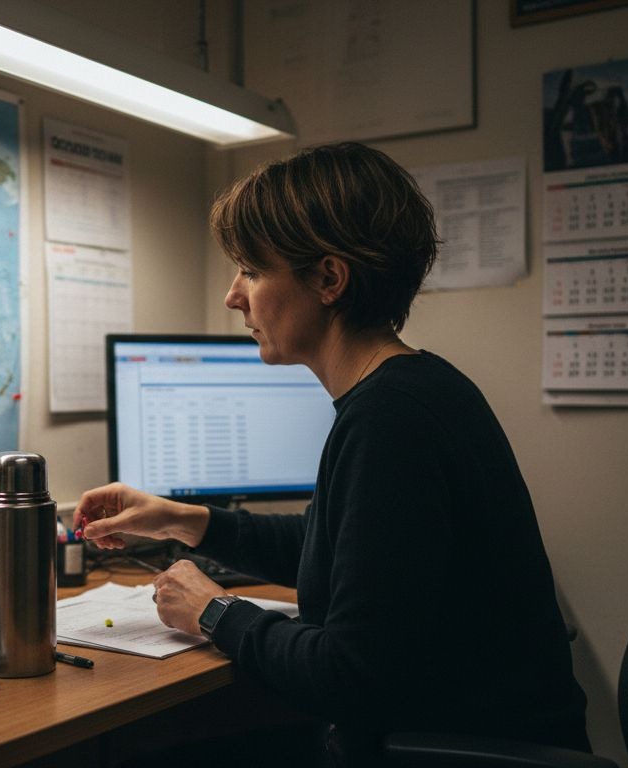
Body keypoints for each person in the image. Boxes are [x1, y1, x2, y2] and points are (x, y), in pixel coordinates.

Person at [74, 142, 590, 765]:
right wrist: (183, 521)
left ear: (328, 278)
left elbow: (351, 673)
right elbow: (344, 555)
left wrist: (213, 612)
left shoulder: (391, 421)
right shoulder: (413, 389)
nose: (234, 297)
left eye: (252, 271)